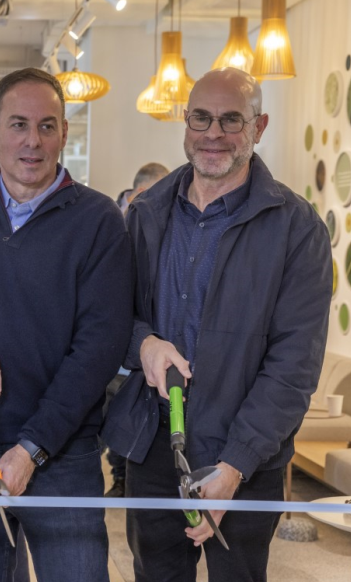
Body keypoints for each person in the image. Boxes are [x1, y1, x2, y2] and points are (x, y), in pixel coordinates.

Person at [103, 68, 331, 582]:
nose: (213, 134)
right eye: (201, 118)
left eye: (232, 120)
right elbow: (114, 319)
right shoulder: (147, 214)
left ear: (259, 125)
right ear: (185, 121)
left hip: (244, 457)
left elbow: (293, 368)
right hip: (155, 447)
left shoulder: (297, 230)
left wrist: (234, 466)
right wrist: (145, 344)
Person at [0, 67, 133, 582]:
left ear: (65, 133)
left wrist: (32, 447)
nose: (32, 141)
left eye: (47, 126)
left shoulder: (99, 220)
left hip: (64, 454)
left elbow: (99, 348)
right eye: (18, 124)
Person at [105, 162, 170, 499]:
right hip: (118, 352)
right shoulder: (112, 221)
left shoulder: (164, 224)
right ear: (140, 191)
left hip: (152, 353)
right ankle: (119, 478)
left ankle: (124, 480)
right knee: (117, 421)